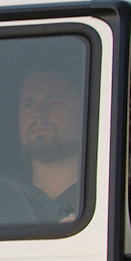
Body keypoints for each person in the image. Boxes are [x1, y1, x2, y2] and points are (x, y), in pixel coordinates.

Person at [18, 67, 84, 220]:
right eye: (28, 105)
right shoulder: (5, 202)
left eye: (54, 102)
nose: (39, 113)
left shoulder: (106, 198)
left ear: (83, 111)